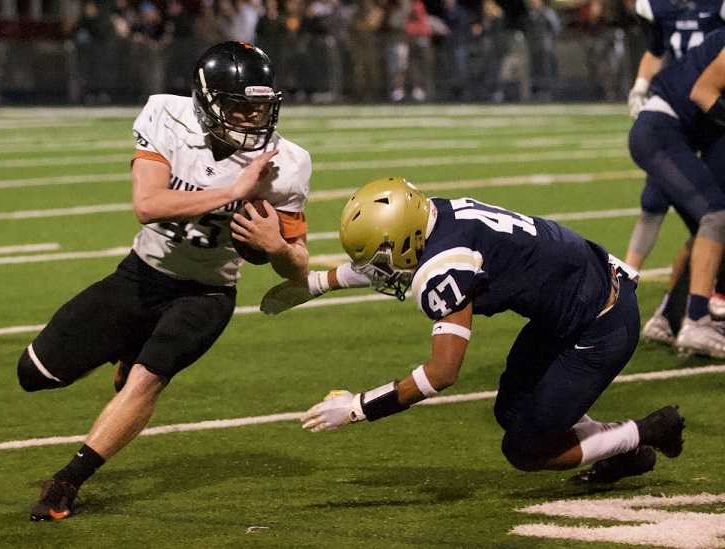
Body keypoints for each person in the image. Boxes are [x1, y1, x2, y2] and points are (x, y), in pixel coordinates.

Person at [19, 41, 311, 521]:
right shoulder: (166, 116)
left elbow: (298, 266)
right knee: (34, 375)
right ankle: (128, 344)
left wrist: (277, 247)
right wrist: (232, 191)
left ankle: (69, 481)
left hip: (207, 293)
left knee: (147, 381)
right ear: (207, 101)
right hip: (142, 275)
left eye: (260, 107)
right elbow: (148, 204)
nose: (252, 119)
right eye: (239, 107)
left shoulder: (289, 163)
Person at [262, 177, 684, 484]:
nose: (378, 273)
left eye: (380, 260)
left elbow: (441, 373)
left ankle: (648, 431)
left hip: (600, 321)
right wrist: (317, 283)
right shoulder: (435, 216)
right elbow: (397, 259)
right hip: (578, 297)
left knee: (524, 449)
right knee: (513, 412)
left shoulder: (443, 267)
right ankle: (626, 452)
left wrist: (358, 408)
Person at [624, 0, 725, 343]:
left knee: (707, 223)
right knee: (715, 215)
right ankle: (696, 318)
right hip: (662, 129)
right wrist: (639, 84)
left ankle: (668, 317)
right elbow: (703, 91)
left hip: (676, 131)